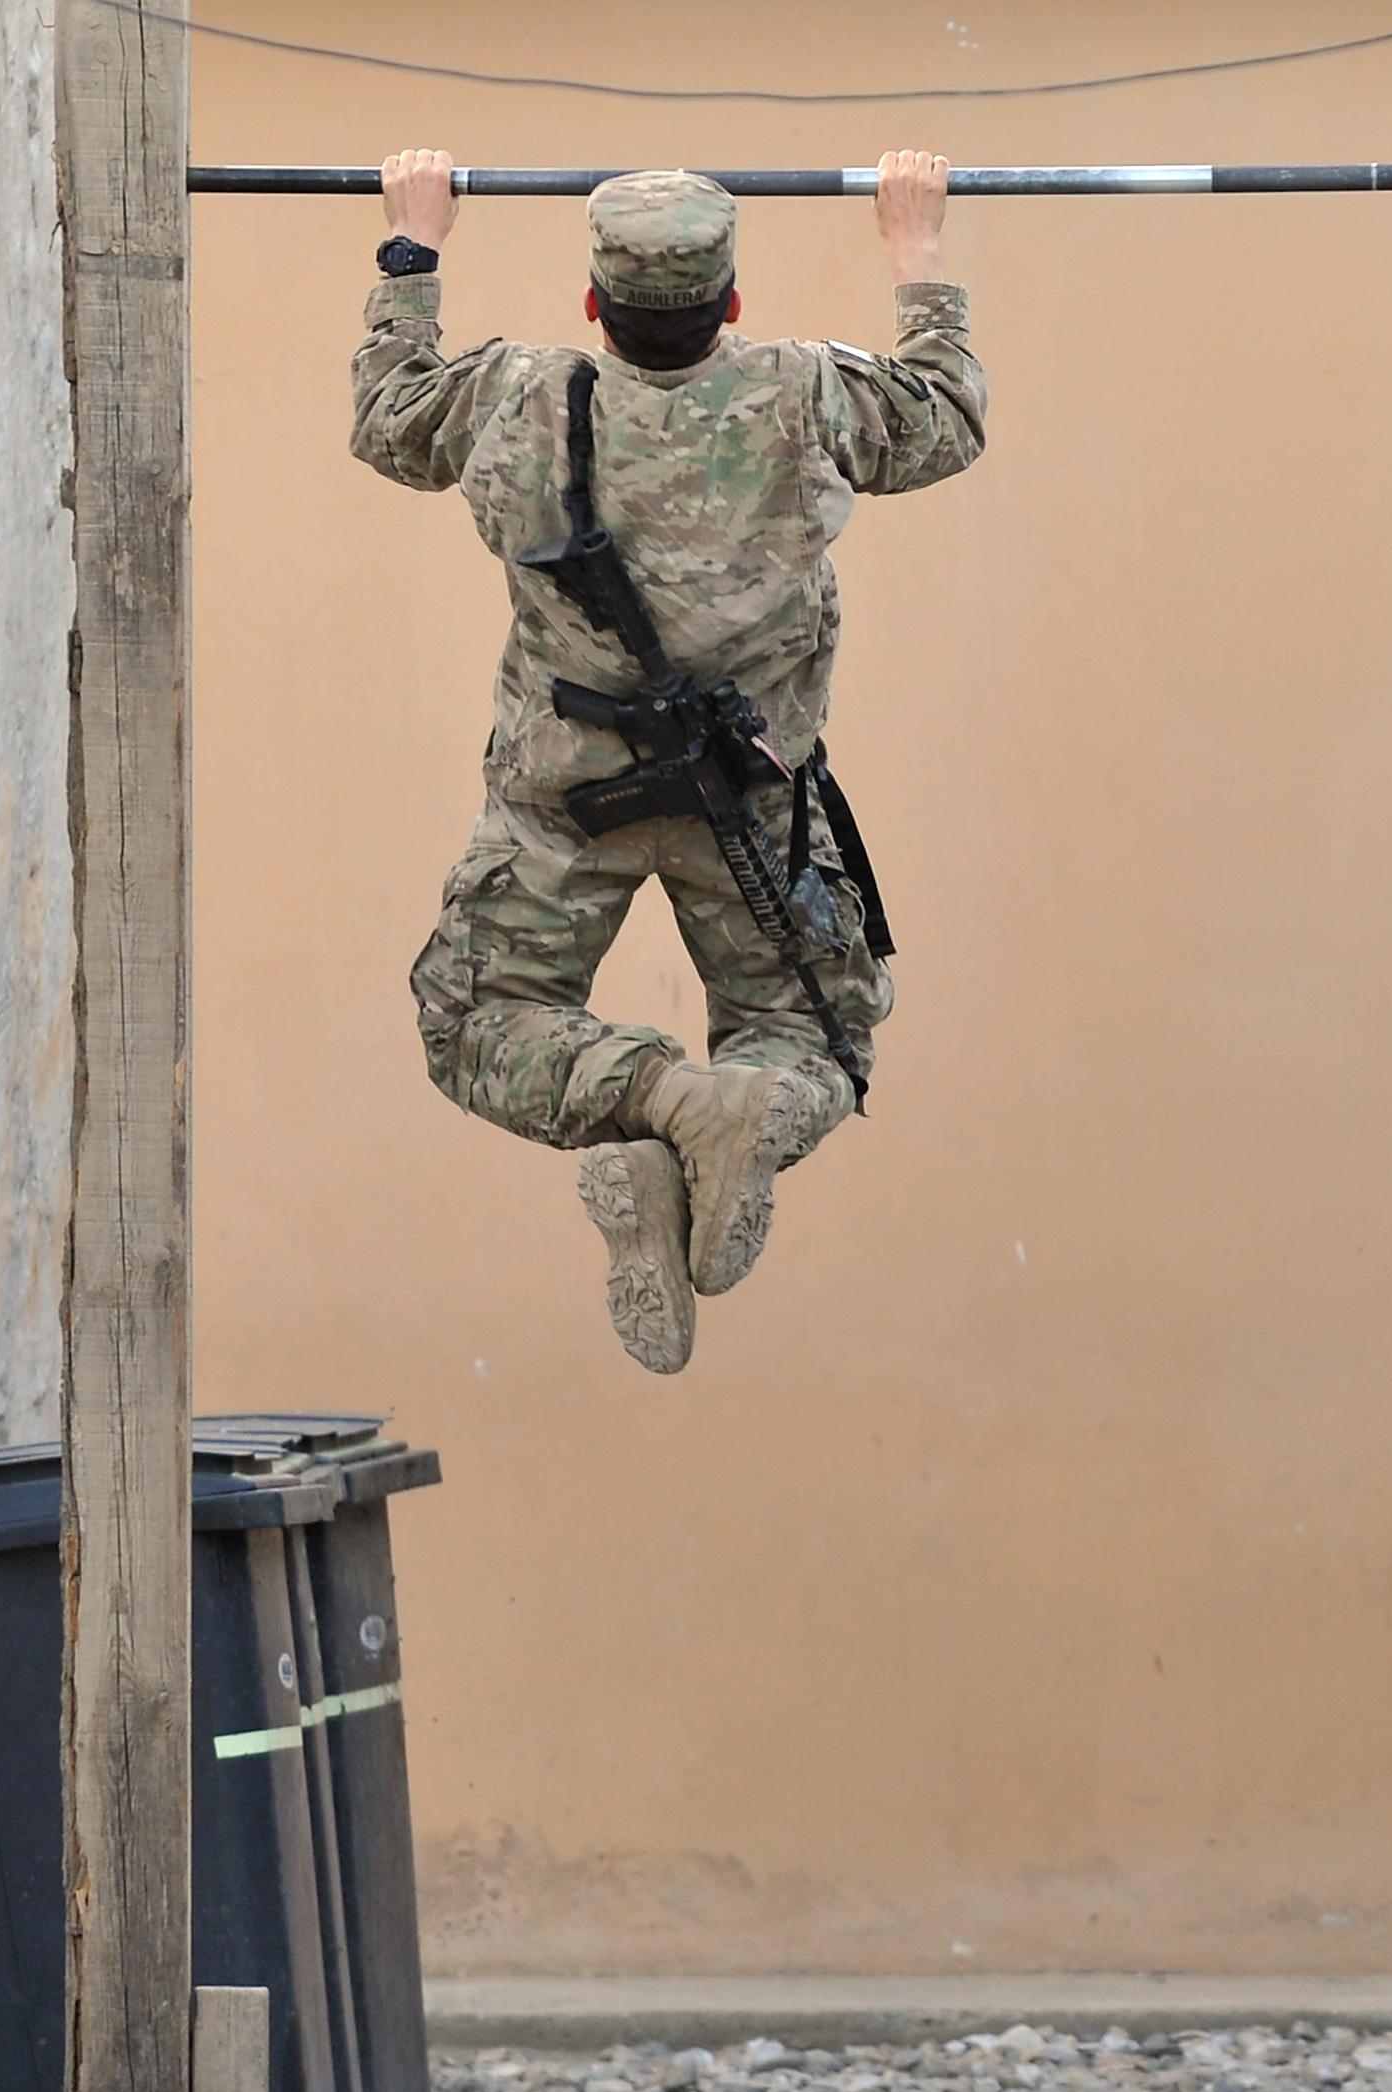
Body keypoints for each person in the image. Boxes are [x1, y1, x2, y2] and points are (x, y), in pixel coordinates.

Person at [350, 147, 986, 1373]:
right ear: (731, 300)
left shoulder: (521, 396)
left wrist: (414, 248)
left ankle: (655, 1109)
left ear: (595, 306)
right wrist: (916, 253)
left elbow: (389, 419)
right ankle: (722, 1109)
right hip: (747, 800)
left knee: (475, 1023)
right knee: (821, 1047)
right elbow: (946, 420)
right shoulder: (807, 395)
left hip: (562, 805)